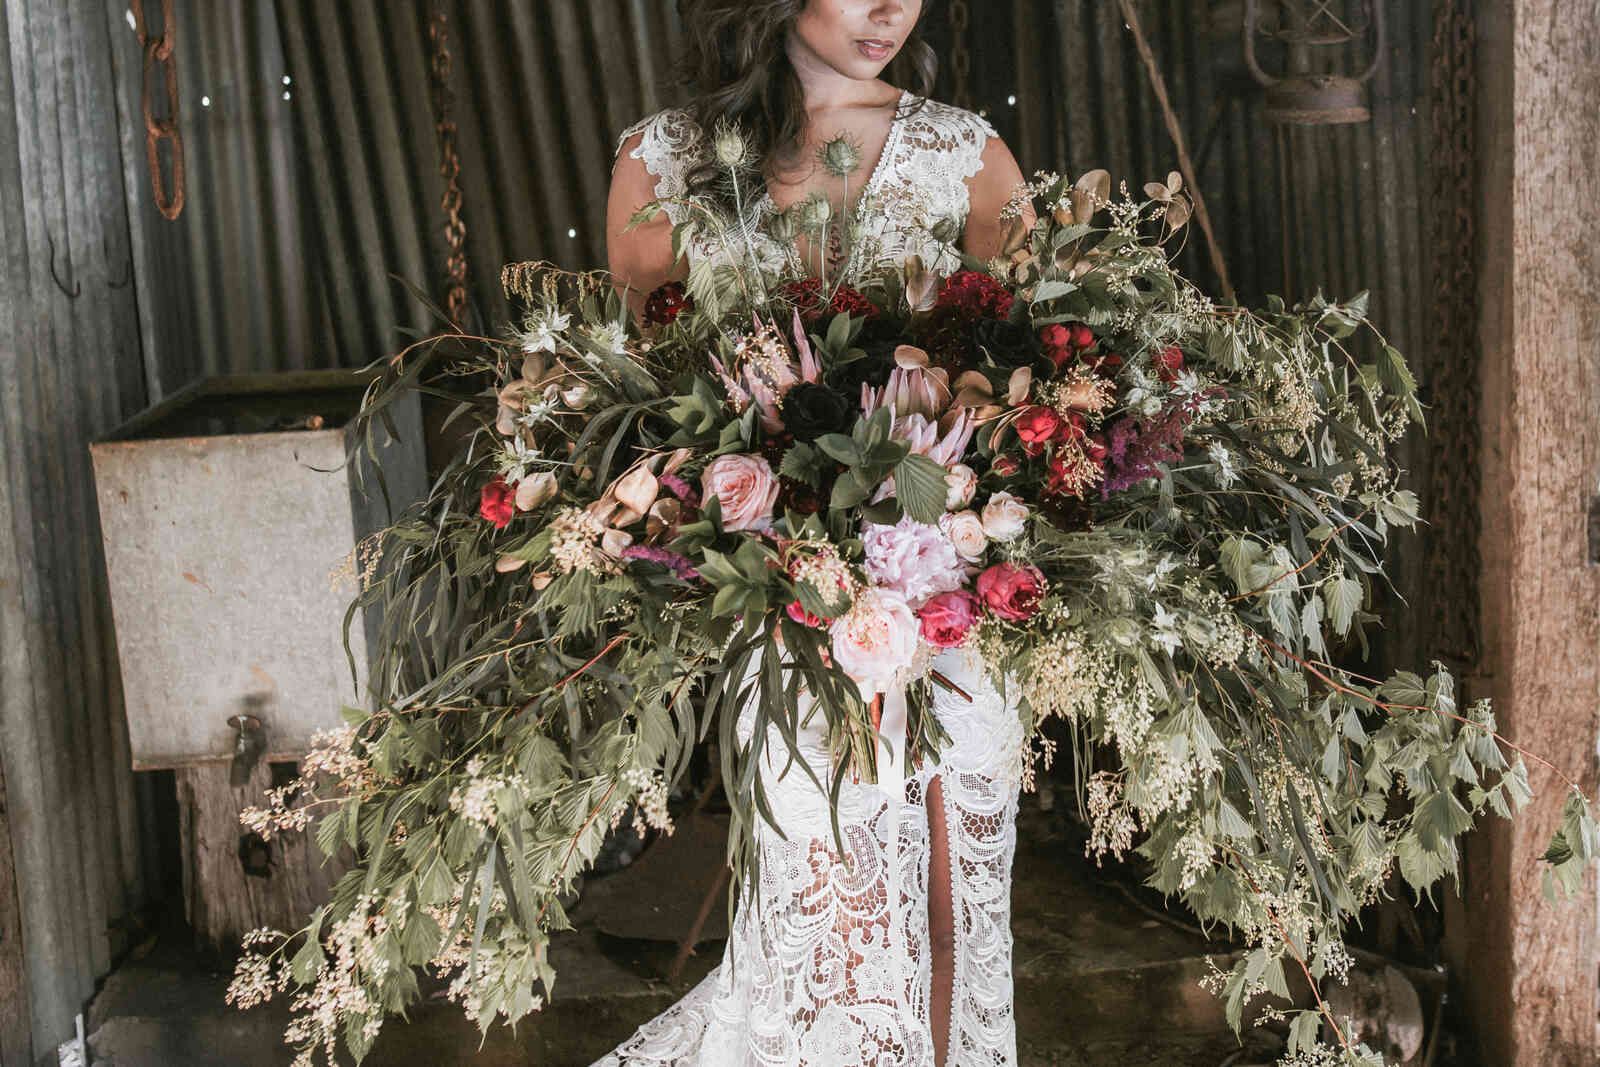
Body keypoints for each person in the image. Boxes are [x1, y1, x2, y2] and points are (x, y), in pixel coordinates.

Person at [599, 3, 1034, 1064]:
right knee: (826, 921)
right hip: (788, 620)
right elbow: (647, 402)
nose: (891, 8)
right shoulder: (662, 164)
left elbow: (1035, 379)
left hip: (947, 607)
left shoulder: (968, 156)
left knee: (947, 924)